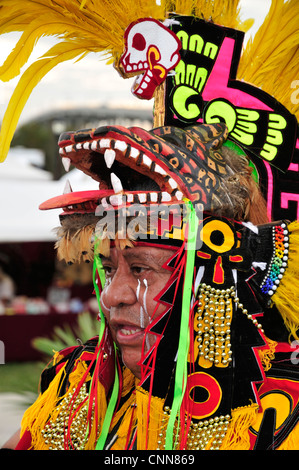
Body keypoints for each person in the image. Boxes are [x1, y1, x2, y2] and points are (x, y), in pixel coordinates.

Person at [0, 0, 298, 452]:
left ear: (220, 272)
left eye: (140, 268)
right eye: (108, 265)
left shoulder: (278, 411)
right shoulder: (76, 385)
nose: (111, 295)